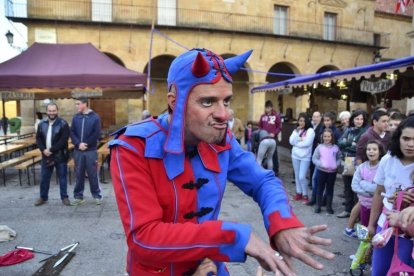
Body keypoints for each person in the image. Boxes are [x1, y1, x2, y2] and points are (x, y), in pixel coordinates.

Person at [109, 48, 334, 275]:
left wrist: (283, 225)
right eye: (208, 102)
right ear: (174, 102)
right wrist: (236, 236)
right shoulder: (132, 147)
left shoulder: (220, 139)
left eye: (226, 101)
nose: (224, 114)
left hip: (209, 268)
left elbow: (263, 181)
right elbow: (144, 238)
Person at [368, 116, 414, 275]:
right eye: (406, 138)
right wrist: (371, 224)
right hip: (385, 225)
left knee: (400, 272)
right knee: (378, 271)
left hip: (409, 232)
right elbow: (378, 194)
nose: (411, 144)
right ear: (398, 138)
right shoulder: (387, 160)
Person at [34, 103, 70, 206]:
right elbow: (38, 138)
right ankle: (43, 197)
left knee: (62, 177)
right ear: (46, 111)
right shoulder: (42, 123)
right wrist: (43, 150)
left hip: (60, 155)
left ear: (57, 111)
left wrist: (52, 149)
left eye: (54, 110)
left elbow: (64, 140)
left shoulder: (63, 123)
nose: (52, 113)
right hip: (46, 156)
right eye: (50, 111)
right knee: (44, 177)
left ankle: (64, 197)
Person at [70, 97, 103, 206]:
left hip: (91, 151)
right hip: (78, 151)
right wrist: (78, 143)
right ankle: (78, 196)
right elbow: (72, 132)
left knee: (92, 173)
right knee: (79, 174)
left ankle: (97, 196)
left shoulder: (95, 117)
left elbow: (96, 133)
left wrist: (86, 144)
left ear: (85, 104)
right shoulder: (75, 118)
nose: (76, 106)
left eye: (78, 104)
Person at [337, 109, 368, 219]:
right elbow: (340, 142)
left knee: (357, 187)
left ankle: (357, 213)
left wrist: (348, 144)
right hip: (348, 160)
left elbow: (360, 147)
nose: (359, 121)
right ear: (353, 120)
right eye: (357, 119)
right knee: (347, 186)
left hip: (359, 161)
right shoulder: (348, 130)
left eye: (361, 119)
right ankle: (347, 210)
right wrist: (351, 143)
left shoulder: (365, 131)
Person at [350, 140, 384, 227]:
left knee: (376, 228)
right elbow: (354, 185)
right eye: (369, 149)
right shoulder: (362, 167)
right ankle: (364, 241)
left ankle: (373, 240)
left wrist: (362, 183)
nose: (371, 151)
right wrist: (369, 194)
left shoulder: (383, 167)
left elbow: (380, 188)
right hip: (364, 204)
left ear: (380, 152)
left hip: (379, 206)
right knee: (364, 226)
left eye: (374, 149)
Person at [312, 128, 342, 214]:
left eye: (328, 136)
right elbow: (314, 158)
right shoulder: (319, 147)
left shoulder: (336, 148)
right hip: (321, 171)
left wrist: (336, 164)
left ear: (332, 137)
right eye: (325, 136)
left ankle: (329, 206)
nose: (326, 138)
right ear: (322, 137)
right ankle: (318, 205)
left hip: (332, 173)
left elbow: (339, 157)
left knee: (330, 189)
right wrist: (320, 164)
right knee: (320, 188)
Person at [289, 112, 315, 204]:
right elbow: (291, 141)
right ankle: (298, 193)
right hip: (295, 155)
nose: (301, 123)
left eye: (303, 121)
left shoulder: (310, 131)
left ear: (306, 121)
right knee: (296, 175)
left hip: (305, 156)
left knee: (301, 176)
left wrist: (297, 142)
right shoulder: (296, 130)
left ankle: (305, 194)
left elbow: (307, 143)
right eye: (300, 120)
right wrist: (297, 135)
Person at [259, 100, 281, 176]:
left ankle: (275, 170)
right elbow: (260, 127)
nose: (267, 109)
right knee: (263, 153)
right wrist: (262, 134)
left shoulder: (276, 116)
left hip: (272, 138)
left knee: (273, 154)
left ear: (271, 108)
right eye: (266, 108)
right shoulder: (263, 116)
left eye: (268, 108)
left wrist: (274, 133)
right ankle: (264, 168)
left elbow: (279, 127)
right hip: (264, 138)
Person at [307, 111, 323, 204]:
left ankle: (313, 186)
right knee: (311, 166)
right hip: (310, 149)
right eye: (314, 116)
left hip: (317, 150)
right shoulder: (311, 126)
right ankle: (311, 183)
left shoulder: (321, 127)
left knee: (315, 168)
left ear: (320, 118)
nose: (315, 118)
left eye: (317, 117)